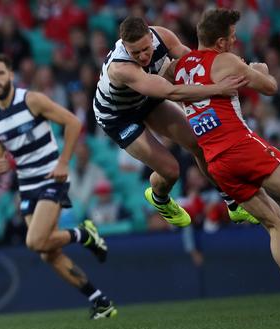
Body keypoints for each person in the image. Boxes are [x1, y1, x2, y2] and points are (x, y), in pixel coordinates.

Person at [0, 54, 116, 319]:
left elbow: (73, 123)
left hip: (51, 175)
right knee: (47, 253)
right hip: (26, 184)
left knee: (34, 241)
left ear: (10, 75)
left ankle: (83, 235)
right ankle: (100, 301)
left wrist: (64, 162)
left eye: (0, 73)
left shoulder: (31, 100)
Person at [92, 16, 258, 228]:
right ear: (124, 46)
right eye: (136, 53)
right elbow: (172, 92)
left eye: (145, 49)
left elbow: (194, 61)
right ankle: (159, 198)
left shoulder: (162, 36)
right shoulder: (121, 68)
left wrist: (228, 67)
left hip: (145, 98)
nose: (143, 56)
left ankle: (233, 203)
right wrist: (218, 88)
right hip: (118, 117)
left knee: (199, 143)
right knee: (171, 171)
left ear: (150, 37)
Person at [173, 8, 280, 290]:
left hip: (216, 164)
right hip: (241, 146)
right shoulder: (225, 60)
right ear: (220, 43)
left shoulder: (179, 68)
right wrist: (259, 68)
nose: (235, 40)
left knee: (277, 225)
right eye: (231, 36)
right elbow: (270, 87)